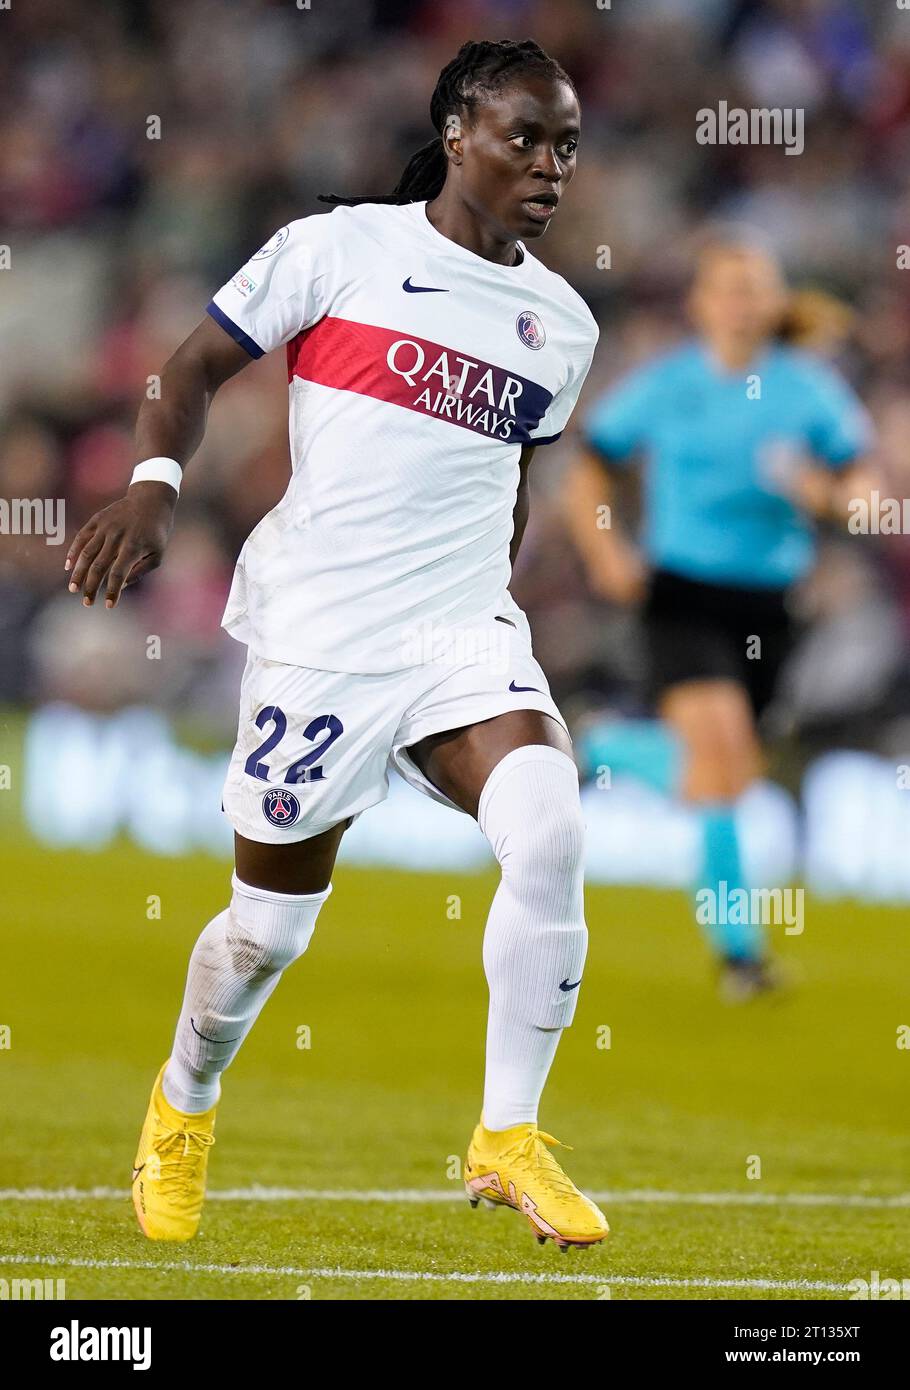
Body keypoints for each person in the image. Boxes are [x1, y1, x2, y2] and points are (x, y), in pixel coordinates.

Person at [66, 39, 608, 1250]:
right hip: (321, 635)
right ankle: (184, 1099)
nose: (549, 164)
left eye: (566, 144)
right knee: (266, 935)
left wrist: (488, 602)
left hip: (461, 632)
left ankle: (505, 1135)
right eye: (525, 135)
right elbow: (193, 367)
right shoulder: (339, 248)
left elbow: (509, 483)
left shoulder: (560, 326)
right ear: (458, 128)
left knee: (552, 824)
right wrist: (151, 486)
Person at [565, 237, 874, 1000]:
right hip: (681, 598)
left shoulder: (809, 391)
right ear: (700, 304)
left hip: (772, 608)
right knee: (720, 755)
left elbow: (866, 492)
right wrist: (606, 552)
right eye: (726, 289)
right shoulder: (666, 386)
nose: (739, 303)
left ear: (773, 304)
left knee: (728, 777)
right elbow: (590, 465)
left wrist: (824, 495)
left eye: (753, 289)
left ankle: (608, 746)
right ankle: (740, 955)